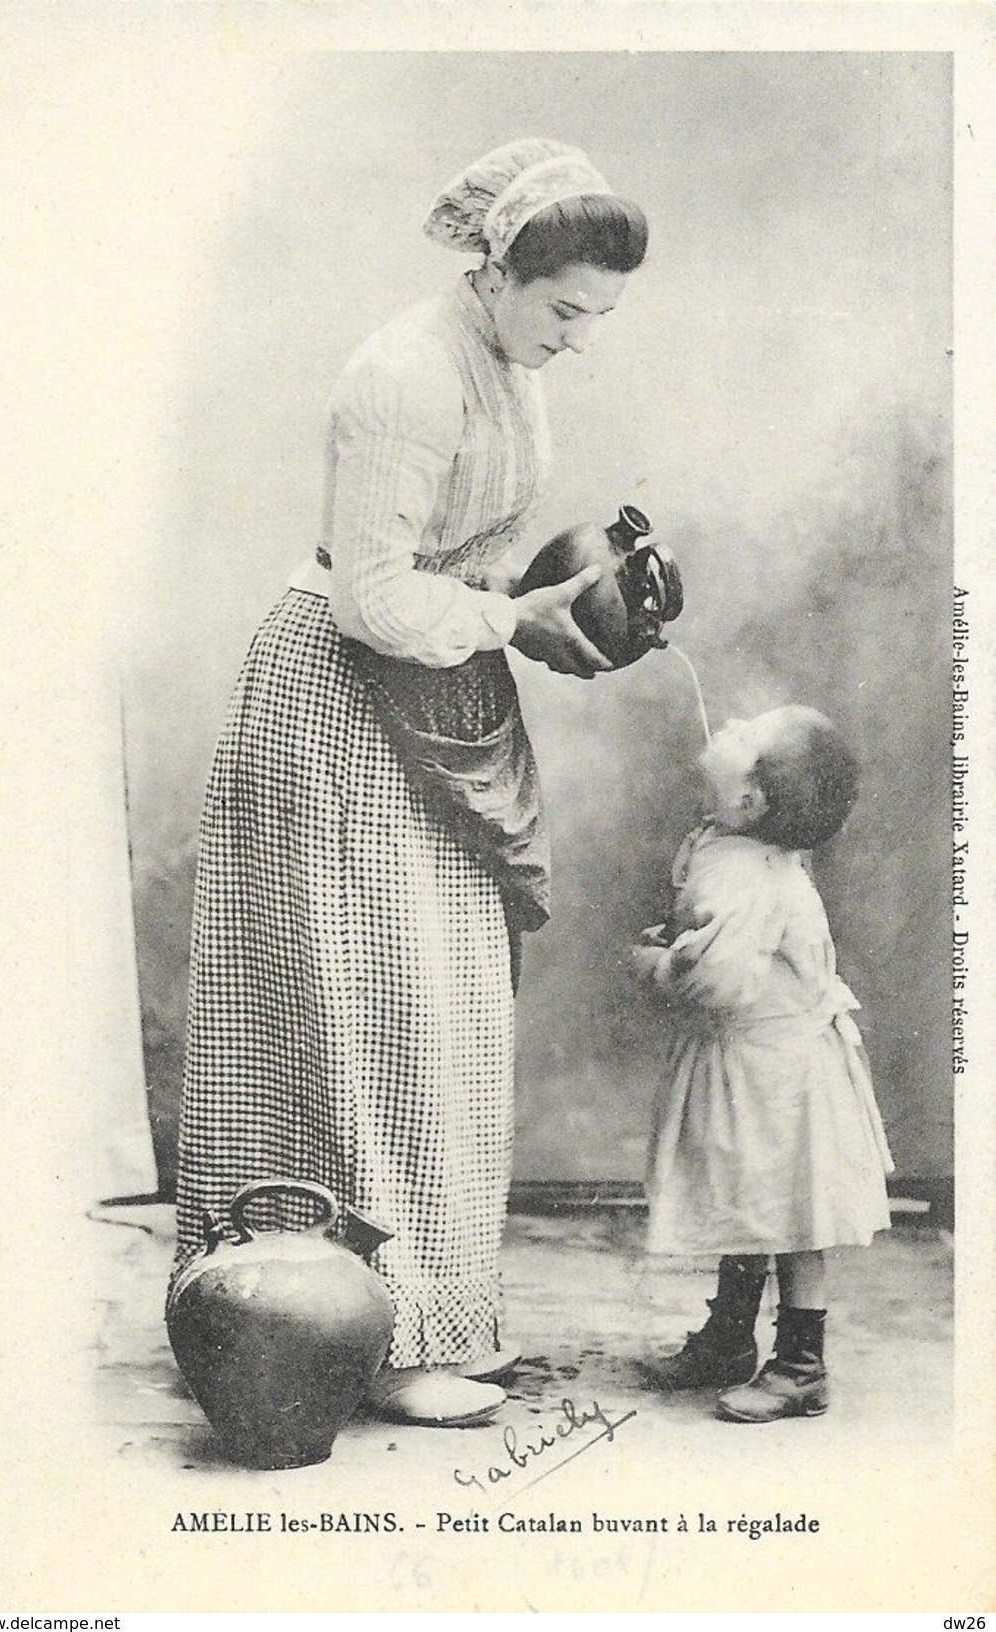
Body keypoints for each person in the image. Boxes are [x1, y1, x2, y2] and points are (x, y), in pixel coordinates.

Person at [171, 138, 648, 1427]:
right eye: (565, 311)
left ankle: (419, 1313)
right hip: (329, 705)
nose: (578, 338)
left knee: (444, 1014)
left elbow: (461, 568)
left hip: (424, 696)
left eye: (597, 319)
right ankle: (322, 1326)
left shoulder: (506, 359)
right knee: (360, 1013)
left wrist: (539, 613)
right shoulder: (403, 376)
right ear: (497, 271)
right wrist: (510, 619)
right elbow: (379, 600)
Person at [630, 705, 894, 1422]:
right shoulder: (731, 845)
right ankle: (727, 1339)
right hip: (752, 1058)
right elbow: (719, 944)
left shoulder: (746, 870)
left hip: (777, 1069)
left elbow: (720, 979)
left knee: (791, 1211)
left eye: (745, 734)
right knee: (749, 1197)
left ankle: (801, 1364)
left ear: (748, 802)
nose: (729, 724)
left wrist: (659, 962)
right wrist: (687, 935)